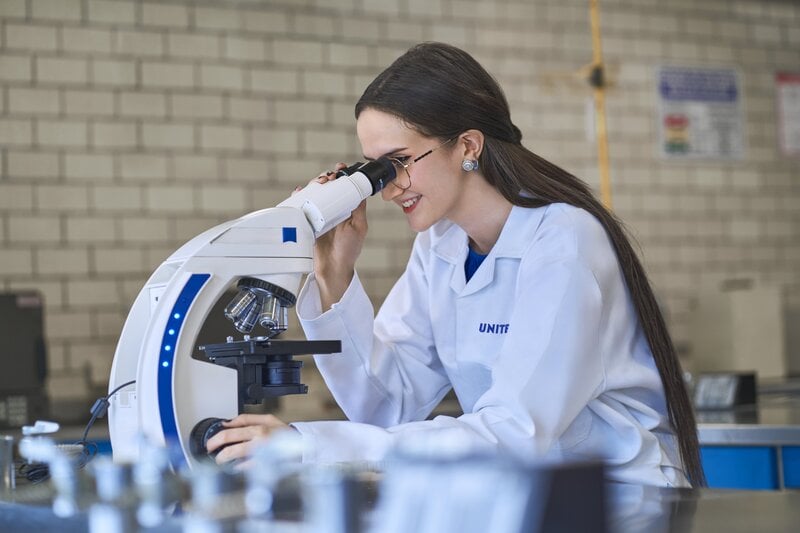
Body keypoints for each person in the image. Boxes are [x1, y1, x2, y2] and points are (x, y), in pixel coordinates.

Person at [207, 42, 705, 487]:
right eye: (375, 170)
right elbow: (389, 406)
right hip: (531, 491)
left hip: (624, 495)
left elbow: (515, 432)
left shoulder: (563, 240)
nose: (389, 189)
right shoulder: (440, 245)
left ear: (468, 145)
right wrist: (333, 275)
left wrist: (312, 446)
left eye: (398, 162)